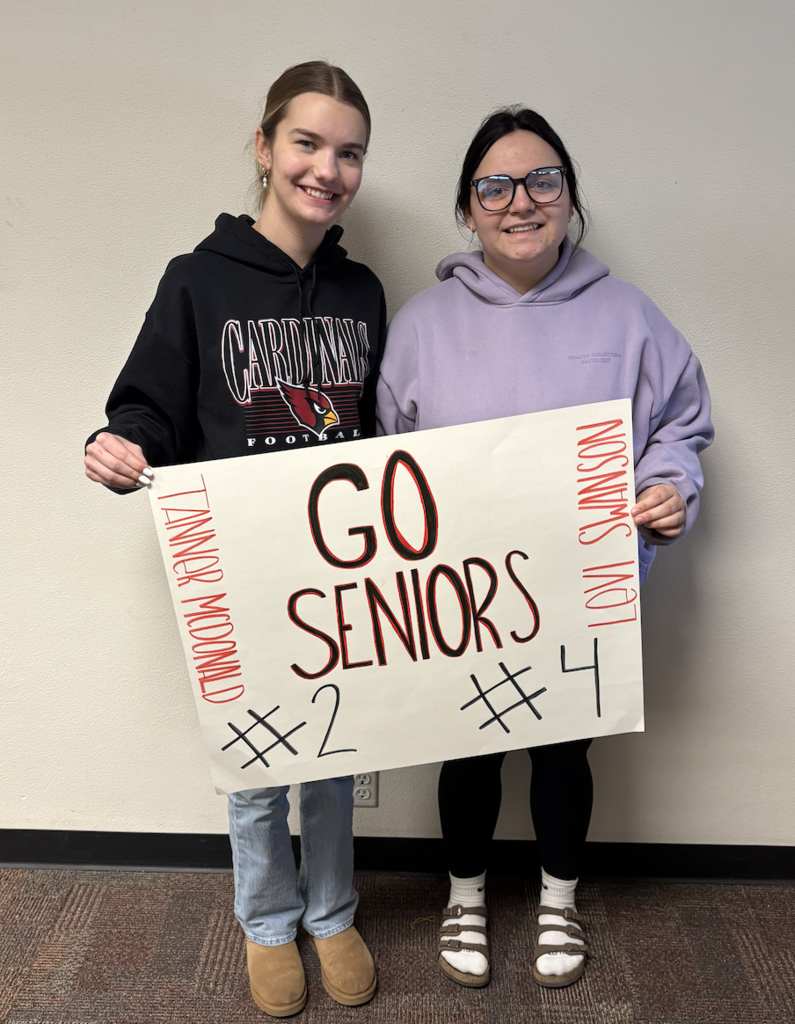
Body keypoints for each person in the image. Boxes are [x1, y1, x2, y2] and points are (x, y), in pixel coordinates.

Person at [375, 107, 713, 990]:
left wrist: (669, 485)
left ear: (567, 196)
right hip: (458, 594)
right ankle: (465, 895)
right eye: (494, 186)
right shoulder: (420, 325)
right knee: (468, 746)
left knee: (565, 751)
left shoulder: (629, 315)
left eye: (541, 181)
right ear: (466, 208)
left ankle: (559, 899)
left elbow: (679, 424)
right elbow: (386, 461)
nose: (519, 201)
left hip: (581, 588)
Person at [84, 61, 385, 1017]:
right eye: (307, 143)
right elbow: (150, 403)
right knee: (256, 767)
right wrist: (123, 443)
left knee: (333, 761)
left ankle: (331, 913)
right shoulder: (195, 280)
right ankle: (266, 921)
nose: (327, 169)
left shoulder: (363, 292)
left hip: (339, 572)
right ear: (263, 148)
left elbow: (381, 430)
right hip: (237, 569)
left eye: (349, 153)